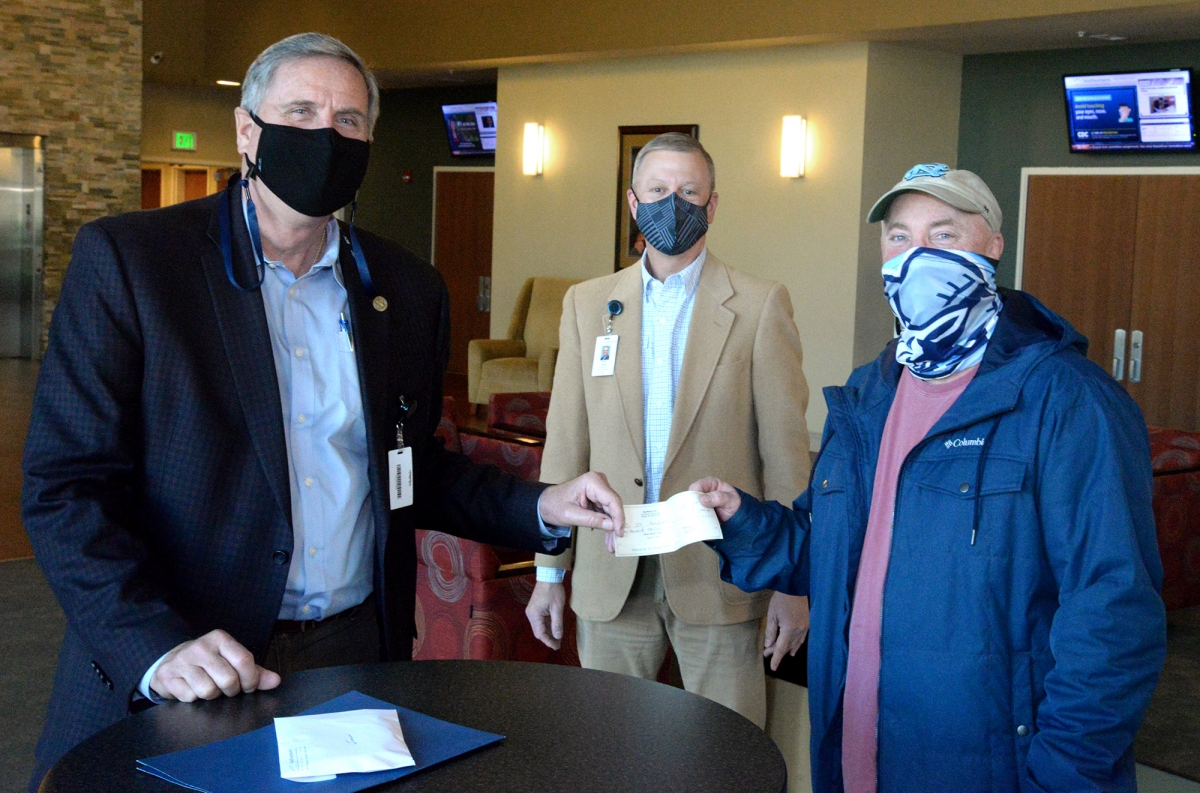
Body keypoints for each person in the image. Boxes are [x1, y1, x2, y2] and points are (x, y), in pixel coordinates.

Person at [22, 32, 622, 788]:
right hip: (187, 663)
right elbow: (65, 487)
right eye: (299, 111)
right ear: (247, 131)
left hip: (351, 660)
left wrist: (543, 504)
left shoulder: (406, 289)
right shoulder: (135, 264)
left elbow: (412, 467)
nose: (323, 136)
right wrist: (156, 644)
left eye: (347, 121)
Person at [693, 164, 1166, 792]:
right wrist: (742, 521)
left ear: (993, 246)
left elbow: (1114, 611)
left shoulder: (1068, 401)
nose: (915, 256)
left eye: (942, 235)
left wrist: (1065, 775)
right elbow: (833, 550)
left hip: (993, 766)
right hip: (856, 747)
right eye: (898, 236)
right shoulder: (868, 394)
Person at [525, 133, 812, 727]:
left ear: (711, 205)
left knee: (729, 754)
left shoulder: (760, 305)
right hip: (611, 568)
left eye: (688, 191)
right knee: (608, 752)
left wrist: (794, 580)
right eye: (658, 191)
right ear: (634, 203)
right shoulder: (587, 304)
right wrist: (549, 571)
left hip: (719, 575)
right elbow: (565, 444)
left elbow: (784, 452)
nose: (671, 204)